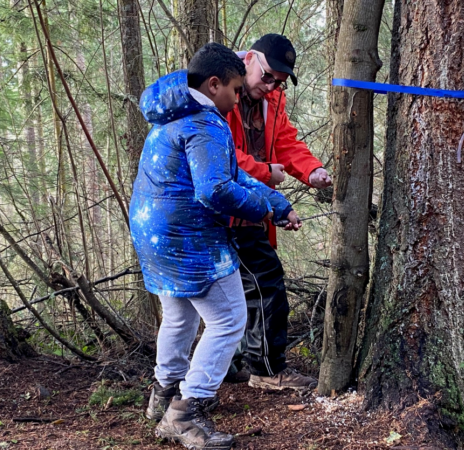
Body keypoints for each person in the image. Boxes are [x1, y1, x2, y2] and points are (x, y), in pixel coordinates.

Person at [129, 43, 300, 450]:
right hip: (190, 239)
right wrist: (266, 210)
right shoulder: (204, 123)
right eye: (236, 90)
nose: (239, 99)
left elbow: (229, 171)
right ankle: (186, 413)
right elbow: (216, 189)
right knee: (228, 320)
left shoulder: (175, 113)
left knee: (179, 317)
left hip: (156, 236)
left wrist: (278, 204)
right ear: (214, 84)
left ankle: (164, 393)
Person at [225, 34, 333, 391]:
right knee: (265, 284)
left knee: (234, 292)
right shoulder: (220, 89)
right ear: (250, 59)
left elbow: (287, 142)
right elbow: (220, 158)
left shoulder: (273, 99)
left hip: (254, 210)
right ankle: (267, 370)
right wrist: (264, 173)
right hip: (226, 212)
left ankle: (235, 364)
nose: (271, 85)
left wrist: (311, 170)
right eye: (268, 75)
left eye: (279, 81)